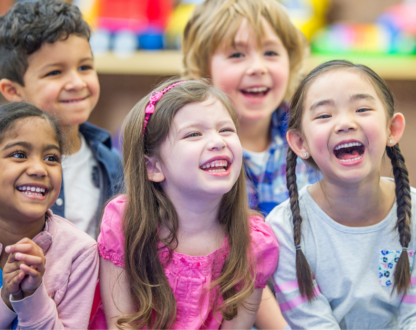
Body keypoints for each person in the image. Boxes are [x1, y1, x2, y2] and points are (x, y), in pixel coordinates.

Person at [267, 60, 416, 329]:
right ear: (300, 143)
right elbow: (313, 323)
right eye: (324, 115)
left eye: (362, 109)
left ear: (392, 129)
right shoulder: (284, 227)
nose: (345, 123)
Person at [95, 79, 279, 329]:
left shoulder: (255, 243)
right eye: (194, 134)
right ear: (153, 167)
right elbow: (121, 324)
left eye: (226, 130)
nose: (218, 142)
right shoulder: (124, 222)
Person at [182, 0, 320, 216]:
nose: (257, 67)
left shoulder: (313, 134)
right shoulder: (187, 149)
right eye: (237, 54)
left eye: (271, 53)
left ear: (290, 61)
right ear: (203, 68)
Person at [0, 0, 123, 239]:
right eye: (55, 72)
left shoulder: (112, 162)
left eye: (85, 67)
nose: (77, 83)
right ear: (13, 91)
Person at [0, 102, 99, 329]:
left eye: (52, 158)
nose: (39, 169)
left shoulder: (79, 252)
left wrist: (32, 296)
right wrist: (6, 297)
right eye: (19, 154)